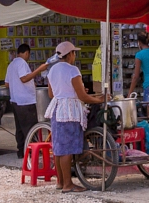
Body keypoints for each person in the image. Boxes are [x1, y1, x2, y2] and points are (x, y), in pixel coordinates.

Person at [45, 41, 106, 193]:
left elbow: (52, 94)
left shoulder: (52, 70)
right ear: (70, 54)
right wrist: (100, 99)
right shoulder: (73, 70)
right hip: (69, 112)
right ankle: (68, 185)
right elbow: (83, 96)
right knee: (67, 149)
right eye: (74, 53)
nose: (74, 56)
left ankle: (60, 182)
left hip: (57, 108)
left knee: (59, 148)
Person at [6, 43, 49, 159]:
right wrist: (39, 70)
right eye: (28, 55)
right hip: (25, 101)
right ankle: (32, 152)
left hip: (15, 100)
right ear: (26, 53)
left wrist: (30, 83)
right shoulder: (21, 63)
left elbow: (7, 83)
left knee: (20, 128)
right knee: (30, 127)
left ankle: (21, 151)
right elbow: (24, 78)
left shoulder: (12, 64)